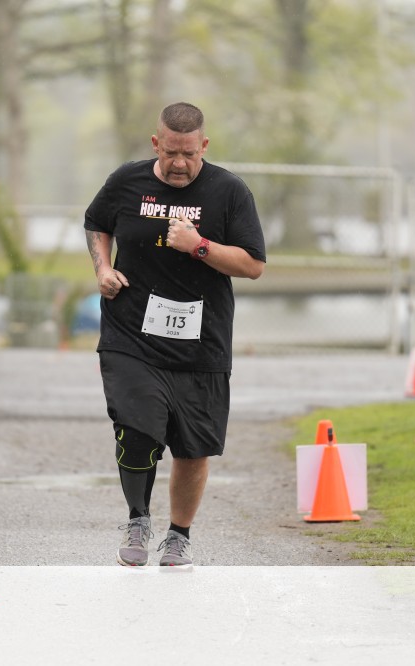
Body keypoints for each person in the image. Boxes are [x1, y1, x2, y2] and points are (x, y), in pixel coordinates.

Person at [84, 102, 266, 567]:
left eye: (189, 153)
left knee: (192, 447)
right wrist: (102, 268)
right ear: (155, 144)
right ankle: (138, 518)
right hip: (131, 332)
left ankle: (179, 535)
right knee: (136, 426)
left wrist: (199, 245)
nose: (179, 163)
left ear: (204, 145)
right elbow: (97, 222)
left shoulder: (228, 191)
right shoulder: (127, 181)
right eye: (170, 153)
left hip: (202, 341)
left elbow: (253, 265)